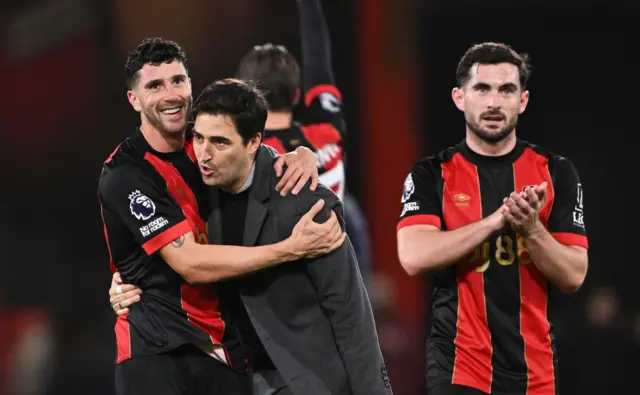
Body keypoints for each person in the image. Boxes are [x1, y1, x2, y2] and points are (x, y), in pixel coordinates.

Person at [113, 78, 392, 395]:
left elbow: (351, 317)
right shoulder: (192, 197)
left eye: (219, 143)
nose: (204, 154)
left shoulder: (304, 204)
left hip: (304, 382)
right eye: (199, 138)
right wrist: (125, 285)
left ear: (253, 141)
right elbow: (170, 257)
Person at [396, 42, 589, 395]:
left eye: (506, 90)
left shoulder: (557, 172)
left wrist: (531, 228)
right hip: (458, 366)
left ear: (523, 100)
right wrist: (496, 221)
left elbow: (573, 275)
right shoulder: (431, 174)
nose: (494, 102)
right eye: (482, 89)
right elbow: (413, 256)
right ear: (459, 97)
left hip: (536, 372)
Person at [236, 0, 372, 282]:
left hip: (289, 284)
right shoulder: (327, 129)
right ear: (297, 95)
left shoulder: (251, 156)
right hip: (341, 272)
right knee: (352, 213)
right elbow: (319, 62)